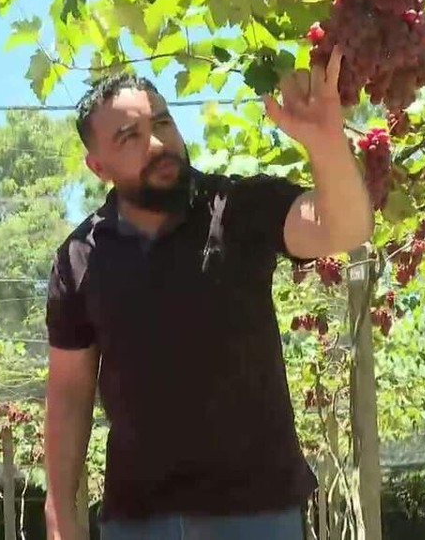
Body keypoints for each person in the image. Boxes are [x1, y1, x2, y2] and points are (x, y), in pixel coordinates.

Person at [43, 47, 374, 540]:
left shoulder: (239, 207)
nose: (158, 143)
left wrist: (324, 140)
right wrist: (60, 512)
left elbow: (343, 228)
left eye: (162, 122)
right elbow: (69, 394)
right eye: (130, 137)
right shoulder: (79, 258)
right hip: (138, 521)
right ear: (98, 165)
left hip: (259, 513)